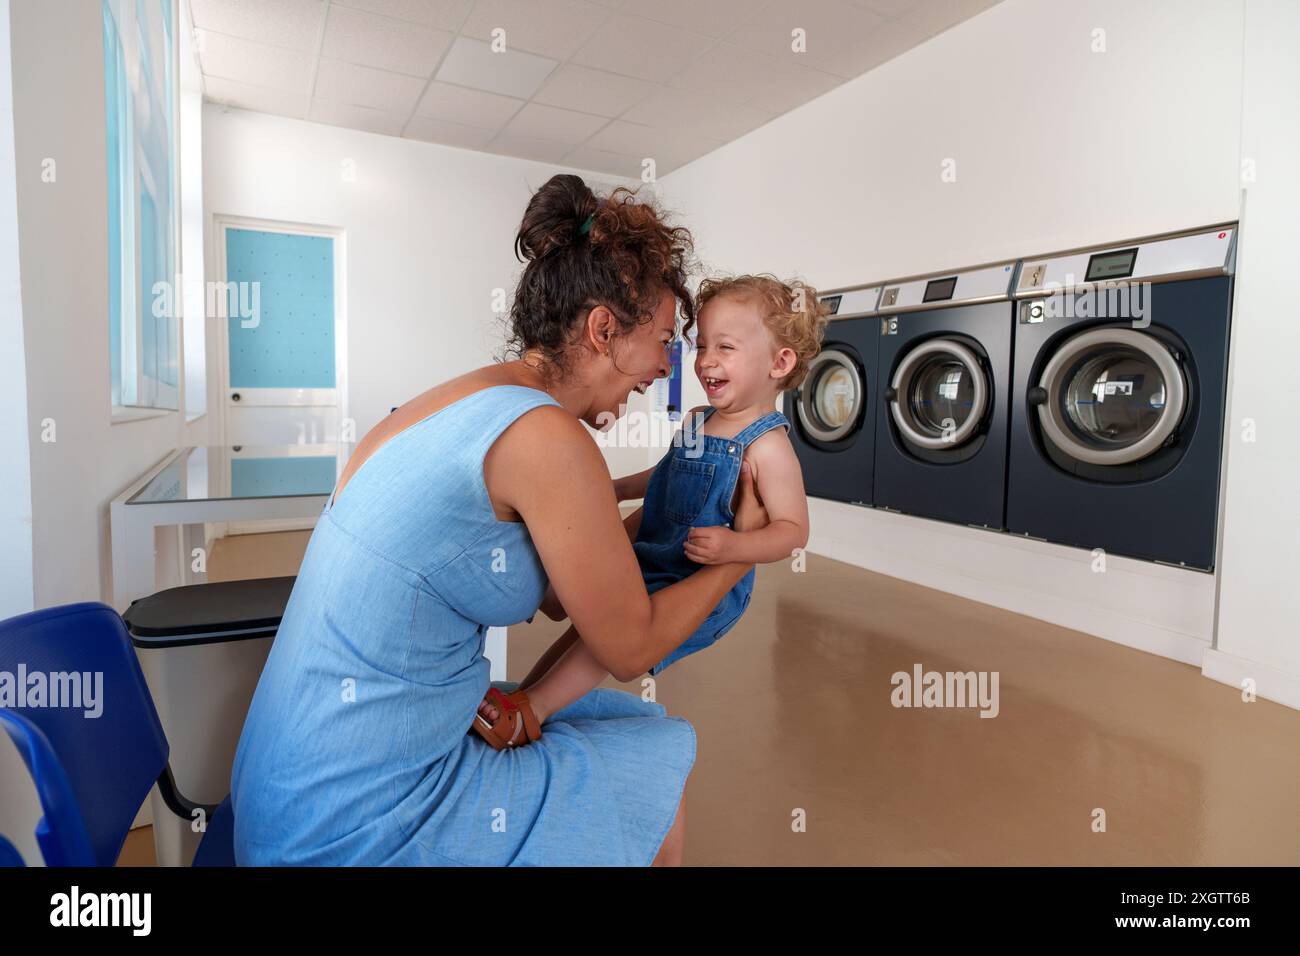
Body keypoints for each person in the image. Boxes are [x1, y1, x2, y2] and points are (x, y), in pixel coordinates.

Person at [229, 174, 768, 866]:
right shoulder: (550, 439)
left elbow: (558, 584)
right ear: (603, 329)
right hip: (353, 822)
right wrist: (743, 551)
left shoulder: (459, 400)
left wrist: (660, 504)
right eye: (663, 342)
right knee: (654, 770)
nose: (665, 369)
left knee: (610, 725)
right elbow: (631, 649)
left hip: (286, 791)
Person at [473, 275, 825, 747]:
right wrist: (618, 488)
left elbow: (792, 530)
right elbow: (670, 473)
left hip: (690, 578)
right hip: (654, 545)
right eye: (701, 347)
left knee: (607, 642)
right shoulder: (700, 418)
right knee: (592, 626)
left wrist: (737, 545)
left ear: (780, 362)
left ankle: (534, 708)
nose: (706, 361)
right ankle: (529, 693)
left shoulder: (769, 447)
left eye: (725, 347)